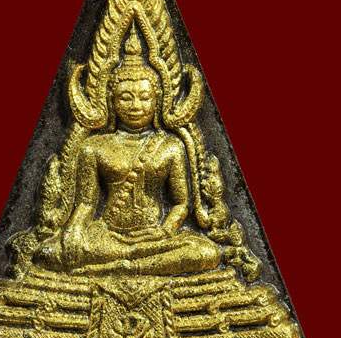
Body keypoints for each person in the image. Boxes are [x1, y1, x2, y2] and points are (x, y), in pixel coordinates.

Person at [35, 28, 221, 275]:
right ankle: (131, 263)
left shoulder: (171, 146)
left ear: (157, 100)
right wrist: (74, 230)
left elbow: (181, 203)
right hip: (107, 235)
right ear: (111, 101)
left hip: (155, 238)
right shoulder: (94, 146)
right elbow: (87, 203)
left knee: (207, 252)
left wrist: (164, 231)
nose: (136, 106)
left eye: (144, 97)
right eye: (125, 98)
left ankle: (125, 266)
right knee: (47, 253)